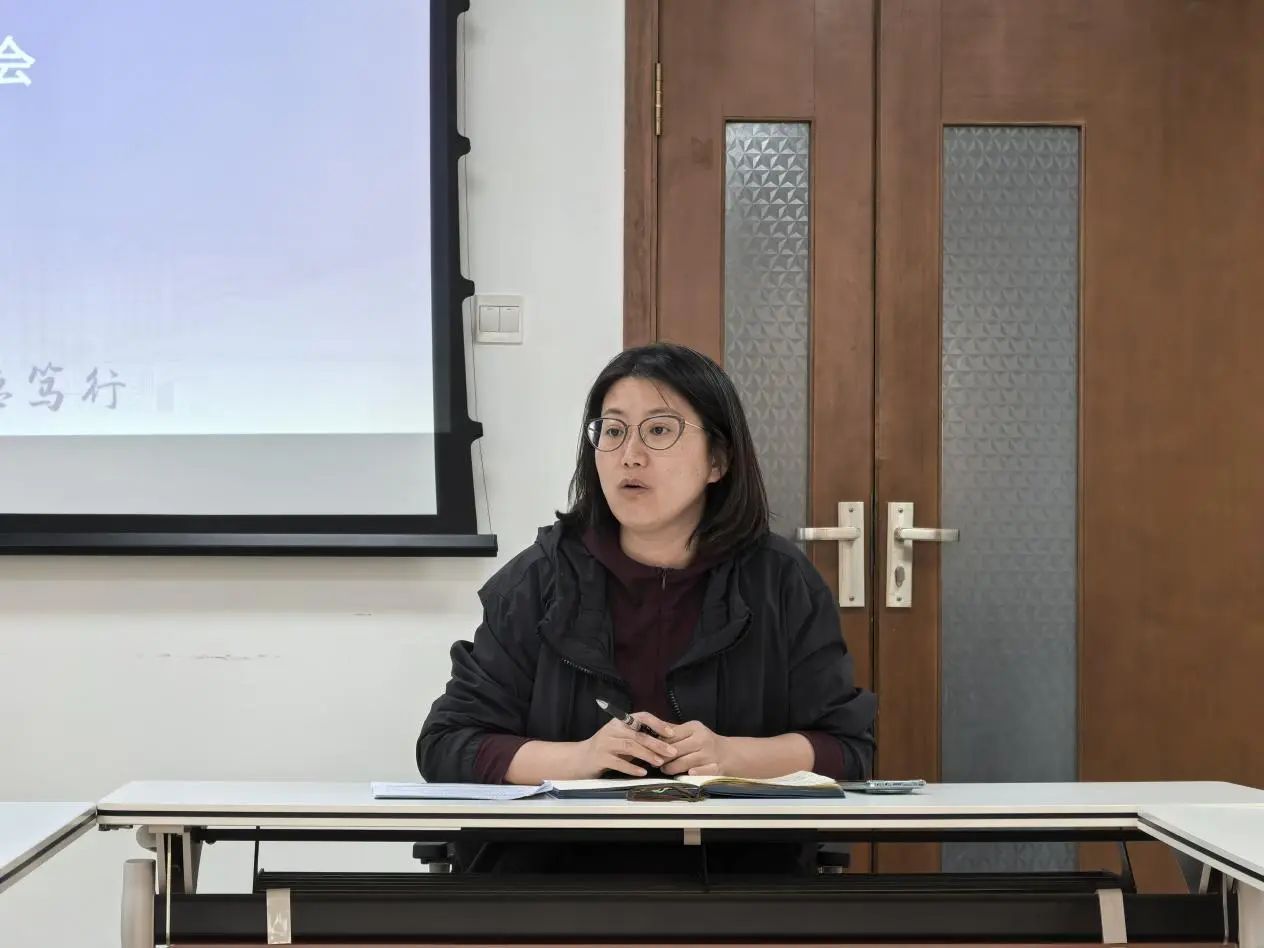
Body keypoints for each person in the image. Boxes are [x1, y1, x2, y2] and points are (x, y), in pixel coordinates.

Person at [417, 342, 876, 873]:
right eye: (612, 431)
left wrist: (732, 757)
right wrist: (581, 759)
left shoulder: (780, 581)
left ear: (718, 460)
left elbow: (847, 749)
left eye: (659, 430)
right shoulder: (539, 579)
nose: (629, 455)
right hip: (550, 882)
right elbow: (448, 745)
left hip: (740, 882)